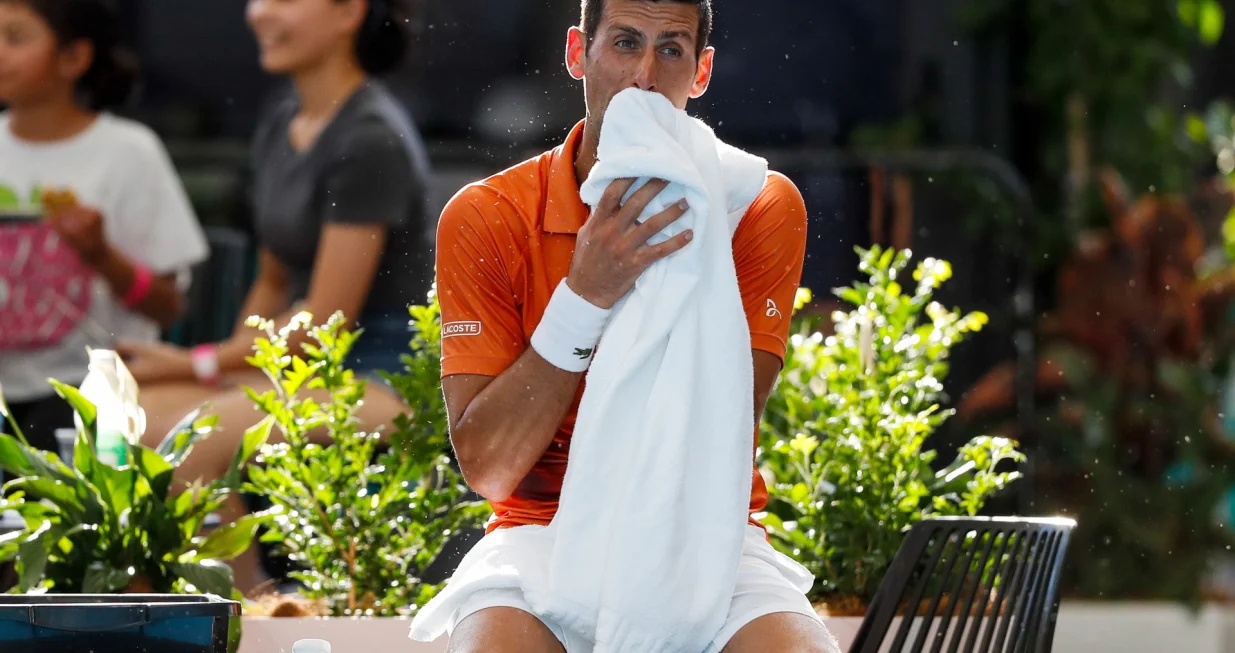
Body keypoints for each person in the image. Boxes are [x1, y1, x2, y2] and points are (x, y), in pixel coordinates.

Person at [434, 1, 834, 651]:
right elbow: (491, 470)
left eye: (670, 50)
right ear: (576, 54)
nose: (644, 77)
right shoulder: (485, 214)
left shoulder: (757, 203)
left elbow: (722, 427)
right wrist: (587, 292)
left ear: (700, 73)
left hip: (703, 532)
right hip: (539, 530)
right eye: (624, 43)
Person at [122, 0, 433, 594]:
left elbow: (326, 319)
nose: (258, 13)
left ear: (349, 12)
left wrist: (200, 365)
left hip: (378, 379)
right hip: (306, 371)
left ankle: (247, 614)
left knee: (191, 437)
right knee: (129, 407)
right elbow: (272, 278)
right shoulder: (285, 116)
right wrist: (232, 363)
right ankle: (149, 605)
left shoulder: (370, 139)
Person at [0, 0, 208, 453]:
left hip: (93, 391)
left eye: (15, 38)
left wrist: (101, 255)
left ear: (74, 57)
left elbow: (168, 307)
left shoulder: (128, 153)